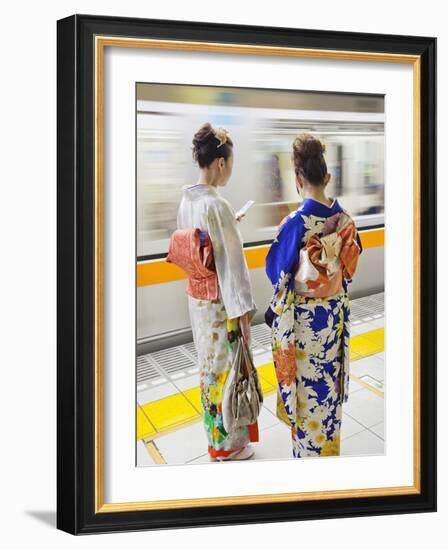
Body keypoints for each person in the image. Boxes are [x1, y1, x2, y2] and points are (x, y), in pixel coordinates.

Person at [265, 133, 362, 458]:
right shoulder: (346, 220)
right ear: (328, 177)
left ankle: (308, 458)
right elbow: (350, 267)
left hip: (306, 327)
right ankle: (329, 449)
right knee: (329, 386)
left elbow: (276, 273)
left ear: (297, 179)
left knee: (307, 393)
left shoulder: (294, 223)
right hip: (333, 318)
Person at [176, 122, 258, 461]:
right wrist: (243, 315)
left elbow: (199, 249)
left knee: (209, 370)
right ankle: (230, 446)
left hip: (198, 301)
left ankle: (213, 438)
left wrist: (227, 227)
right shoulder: (218, 205)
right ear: (220, 163)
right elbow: (232, 268)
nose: (230, 172)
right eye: (231, 164)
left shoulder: (187, 201)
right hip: (222, 306)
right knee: (228, 371)